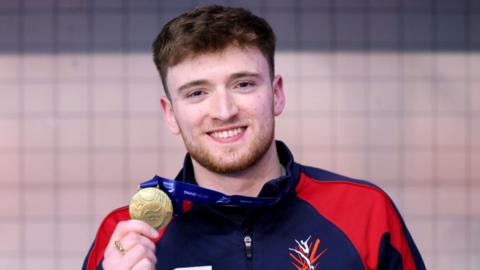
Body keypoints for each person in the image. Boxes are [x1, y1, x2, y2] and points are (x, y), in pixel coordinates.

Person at [83, 5, 425, 270]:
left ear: (276, 94)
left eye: (243, 84)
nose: (224, 110)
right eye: (197, 93)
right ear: (170, 114)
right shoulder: (126, 236)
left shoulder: (364, 212)